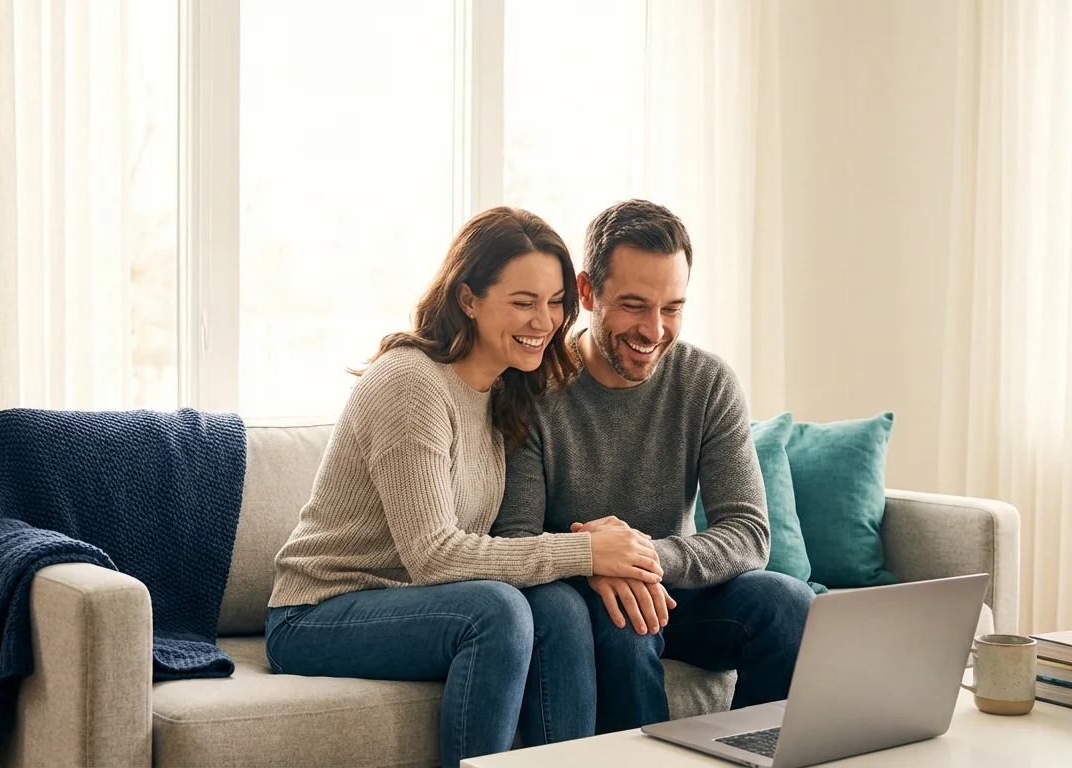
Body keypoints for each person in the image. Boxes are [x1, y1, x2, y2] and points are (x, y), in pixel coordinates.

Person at [265, 206, 664, 768]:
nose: (544, 321)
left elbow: (499, 544)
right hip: (317, 613)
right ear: (468, 299)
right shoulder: (411, 383)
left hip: (415, 605)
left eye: (555, 303)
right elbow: (434, 556)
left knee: (561, 607)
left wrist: (592, 548)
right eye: (523, 302)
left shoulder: (503, 392)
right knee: (496, 611)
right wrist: (584, 550)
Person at [491, 199, 816, 734]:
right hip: (587, 596)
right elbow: (517, 535)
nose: (654, 330)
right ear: (588, 292)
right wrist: (594, 561)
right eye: (635, 305)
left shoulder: (707, 383)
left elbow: (749, 534)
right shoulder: (533, 390)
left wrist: (639, 558)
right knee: (625, 622)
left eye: (672, 308)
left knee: (788, 603)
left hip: (676, 583)